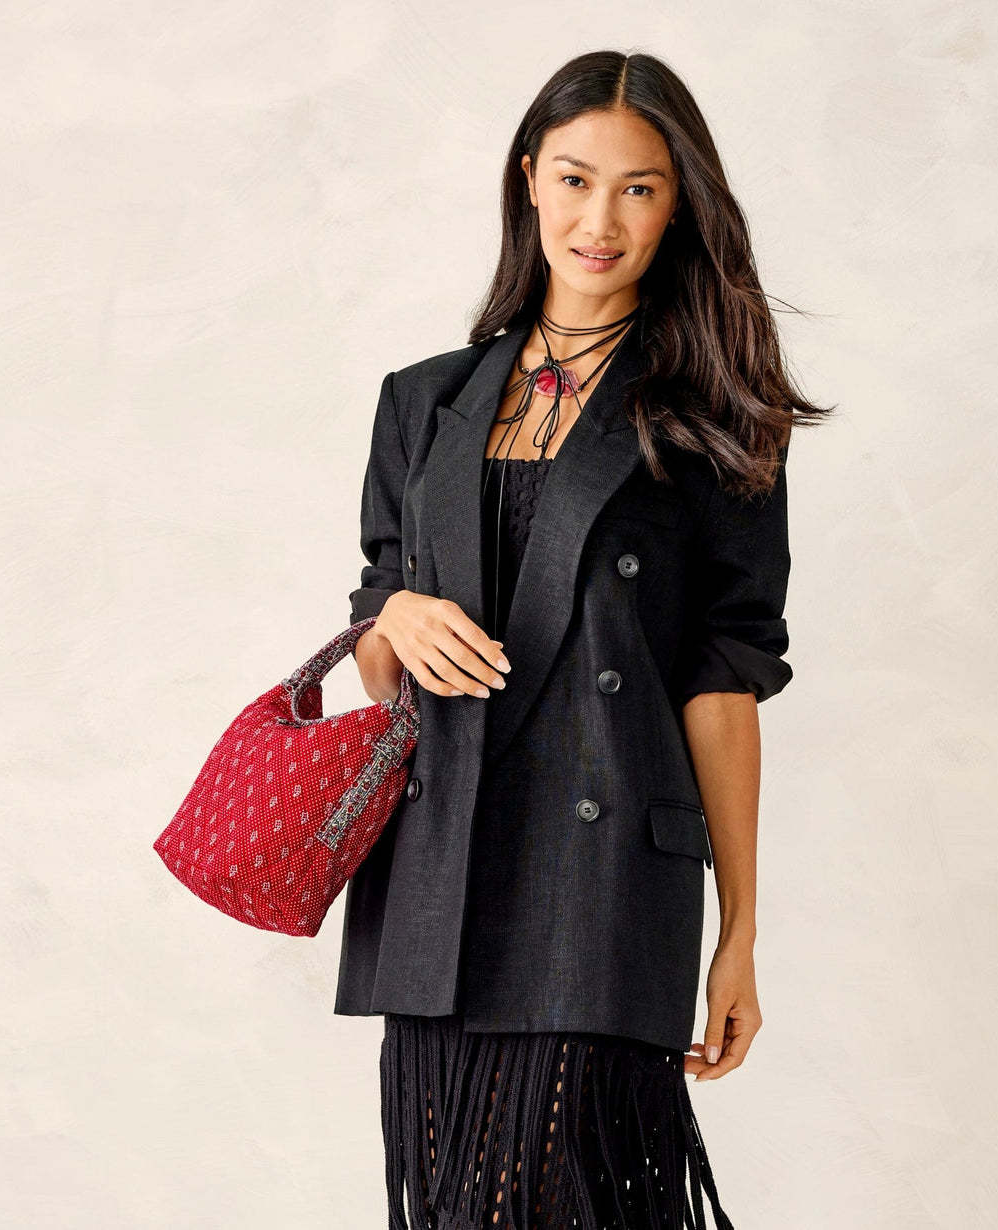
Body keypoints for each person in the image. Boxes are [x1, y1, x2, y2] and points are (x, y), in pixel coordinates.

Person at [341, 50, 832, 1230]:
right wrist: (393, 614)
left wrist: (739, 931)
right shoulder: (425, 401)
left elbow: (724, 678)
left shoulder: (718, 414)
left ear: (679, 205)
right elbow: (378, 653)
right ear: (528, 181)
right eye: (574, 179)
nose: (598, 220)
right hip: (440, 877)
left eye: (638, 189)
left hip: (601, 883)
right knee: (453, 1207)